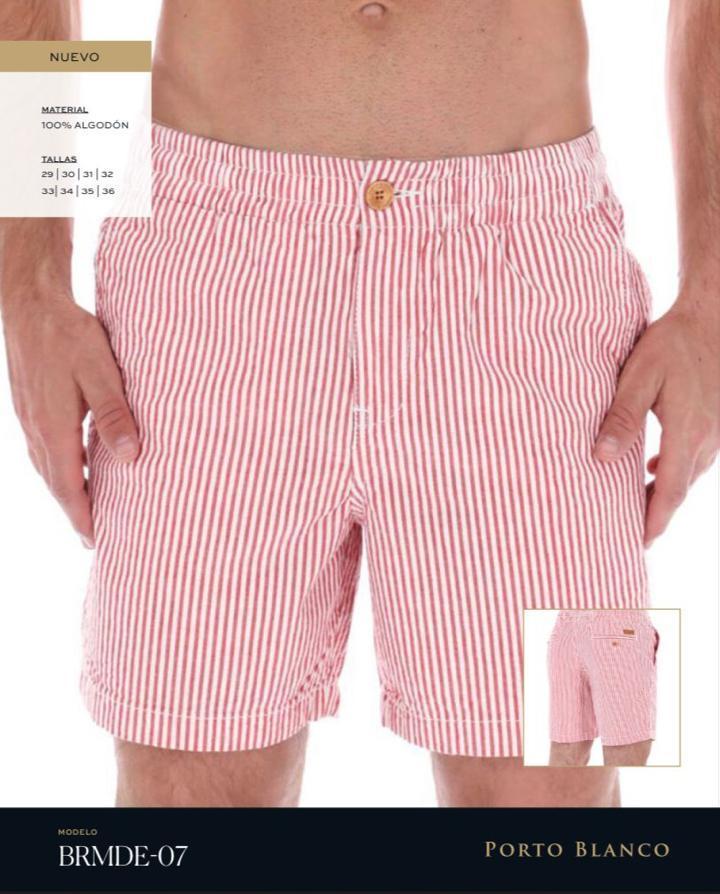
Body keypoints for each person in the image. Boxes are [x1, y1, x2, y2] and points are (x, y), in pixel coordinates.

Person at [0, 0, 717, 808]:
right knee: (187, 796)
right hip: (211, 267)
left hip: (529, 278)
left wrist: (713, 294)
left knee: (550, 797)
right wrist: (28, 280)